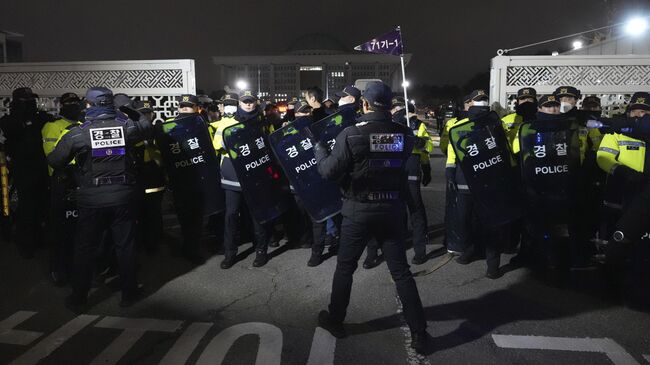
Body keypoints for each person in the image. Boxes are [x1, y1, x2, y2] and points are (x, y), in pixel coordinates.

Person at [314, 81, 428, 354]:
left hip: (358, 211)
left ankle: (335, 319)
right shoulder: (403, 134)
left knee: (345, 267)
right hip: (391, 210)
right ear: (390, 105)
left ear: (364, 104)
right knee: (401, 272)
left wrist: (320, 152)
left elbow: (329, 172)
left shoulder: (351, 134)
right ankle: (419, 333)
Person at [47, 87, 151, 311]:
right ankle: (129, 293)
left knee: (85, 248)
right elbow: (146, 127)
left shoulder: (77, 134)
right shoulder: (127, 127)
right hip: (123, 197)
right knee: (125, 246)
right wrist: (130, 110)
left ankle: (79, 298)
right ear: (110, 104)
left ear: (89, 105)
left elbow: (55, 161)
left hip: (91, 200)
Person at [447, 90, 506, 279]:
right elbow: (452, 151)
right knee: (466, 220)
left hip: (490, 180)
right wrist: (450, 171)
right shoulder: (459, 125)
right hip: (465, 180)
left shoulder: (496, 124)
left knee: (491, 222)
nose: (481, 104)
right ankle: (471, 250)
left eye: (484, 101)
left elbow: (503, 150)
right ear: (469, 104)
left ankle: (492, 263)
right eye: (477, 101)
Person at [215, 91, 273, 269]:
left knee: (258, 215)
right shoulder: (227, 122)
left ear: (256, 102)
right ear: (239, 103)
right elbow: (217, 145)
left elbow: (270, 145)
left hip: (256, 175)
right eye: (244, 101)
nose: (248, 104)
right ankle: (229, 253)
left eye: (251, 101)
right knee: (231, 216)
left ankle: (261, 251)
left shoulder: (264, 122)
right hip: (232, 177)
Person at [0, 87, 52, 259]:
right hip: (23, 169)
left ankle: (39, 239)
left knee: (41, 205)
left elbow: (48, 121)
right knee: (27, 208)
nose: (31, 103)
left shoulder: (38, 117)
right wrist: (26, 118)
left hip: (40, 167)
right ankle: (27, 244)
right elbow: (12, 130)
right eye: (27, 101)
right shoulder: (10, 120)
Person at [42, 92, 82, 285]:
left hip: (81, 180)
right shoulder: (52, 126)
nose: (74, 106)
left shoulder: (84, 125)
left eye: (76, 102)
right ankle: (59, 269)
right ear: (62, 106)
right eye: (69, 103)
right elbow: (52, 155)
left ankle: (79, 269)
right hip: (62, 180)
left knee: (81, 229)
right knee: (60, 229)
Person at [390, 96, 433, 265]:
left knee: (415, 210)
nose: (393, 111)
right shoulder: (390, 124)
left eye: (396, 108)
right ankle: (398, 246)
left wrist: (426, 167)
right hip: (393, 171)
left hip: (411, 170)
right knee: (396, 212)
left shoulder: (417, 125)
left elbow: (427, 147)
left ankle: (420, 250)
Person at [134, 100, 165, 254]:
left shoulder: (158, 130)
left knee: (154, 213)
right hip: (138, 180)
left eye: (148, 113)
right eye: (142, 113)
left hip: (156, 179)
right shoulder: (132, 131)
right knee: (140, 214)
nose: (146, 116)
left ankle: (154, 243)